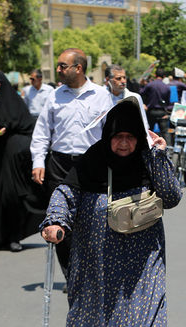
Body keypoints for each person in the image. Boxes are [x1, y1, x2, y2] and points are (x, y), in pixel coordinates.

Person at [40, 98, 182, 327]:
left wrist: (159, 156)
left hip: (142, 264)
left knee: (142, 322)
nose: (123, 143)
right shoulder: (92, 161)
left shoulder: (149, 160)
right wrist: (56, 221)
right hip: (97, 264)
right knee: (95, 324)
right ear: (107, 136)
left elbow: (172, 197)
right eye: (117, 136)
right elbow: (66, 193)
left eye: (130, 137)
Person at [30, 48, 112, 273]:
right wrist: (38, 161)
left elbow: (110, 133)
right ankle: (70, 273)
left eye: (62, 66)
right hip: (60, 166)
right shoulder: (54, 96)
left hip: (92, 166)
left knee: (92, 220)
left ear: (78, 68)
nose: (58, 70)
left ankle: (91, 271)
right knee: (59, 220)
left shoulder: (101, 95)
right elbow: (42, 132)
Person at [0, 71, 44, 252]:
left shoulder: (13, 102)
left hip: (12, 159)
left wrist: (8, 131)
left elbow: (26, 127)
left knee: (12, 198)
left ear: (2, 83)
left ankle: (14, 237)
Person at [104, 64, 149, 130]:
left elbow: (143, 123)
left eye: (124, 78)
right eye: (118, 78)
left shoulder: (134, 98)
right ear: (108, 80)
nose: (123, 81)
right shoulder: (100, 97)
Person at [140, 68, 171, 133]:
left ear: (155, 75)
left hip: (151, 111)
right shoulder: (167, 87)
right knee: (165, 132)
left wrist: (141, 85)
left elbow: (141, 93)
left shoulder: (150, 85)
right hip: (162, 112)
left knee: (149, 132)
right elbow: (168, 102)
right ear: (164, 76)